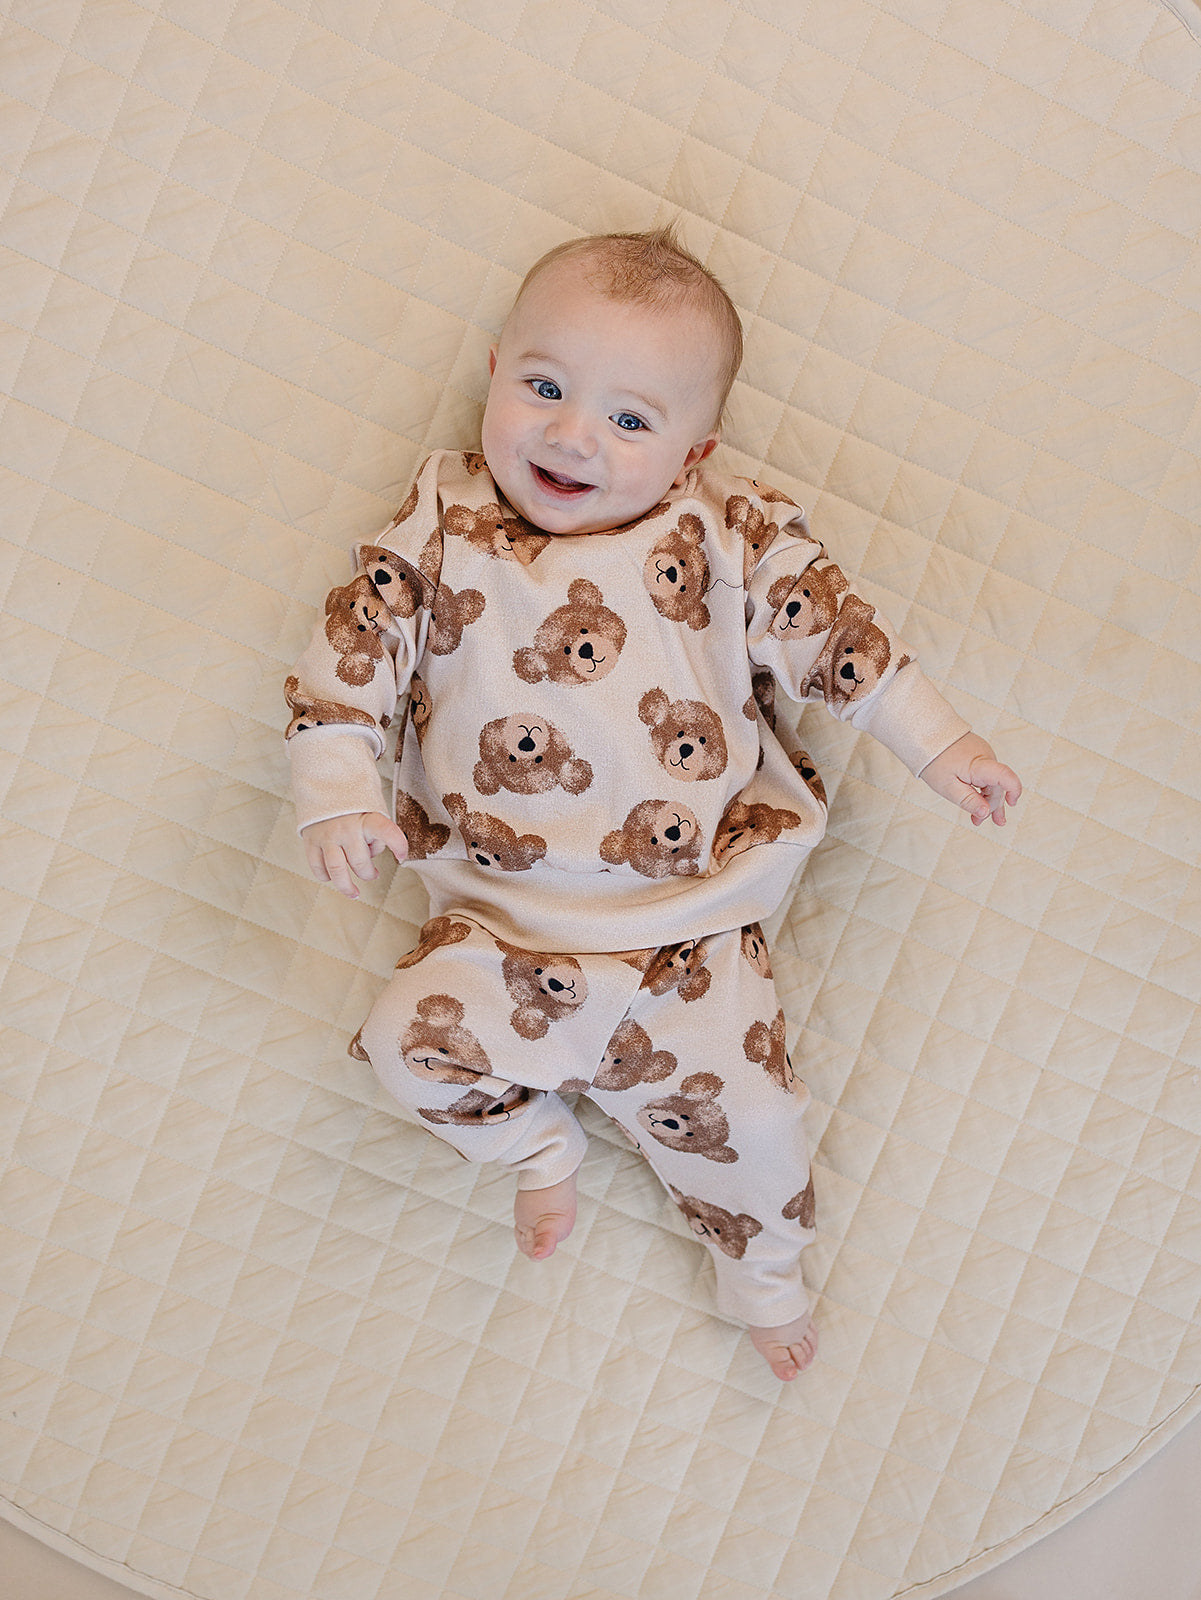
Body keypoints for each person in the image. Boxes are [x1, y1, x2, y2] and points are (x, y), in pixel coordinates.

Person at [286, 227, 1020, 1381]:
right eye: (544, 388)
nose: (572, 435)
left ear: (692, 451)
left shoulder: (727, 530)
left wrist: (941, 744)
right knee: (401, 1049)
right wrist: (334, 791)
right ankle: (537, 1143)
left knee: (759, 1123)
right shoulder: (437, 526)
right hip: (496, 933)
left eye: (629, 419)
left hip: (691, 933)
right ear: (494, 370)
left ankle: (763, 1278)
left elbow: (837, 635)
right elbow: (349, 658)